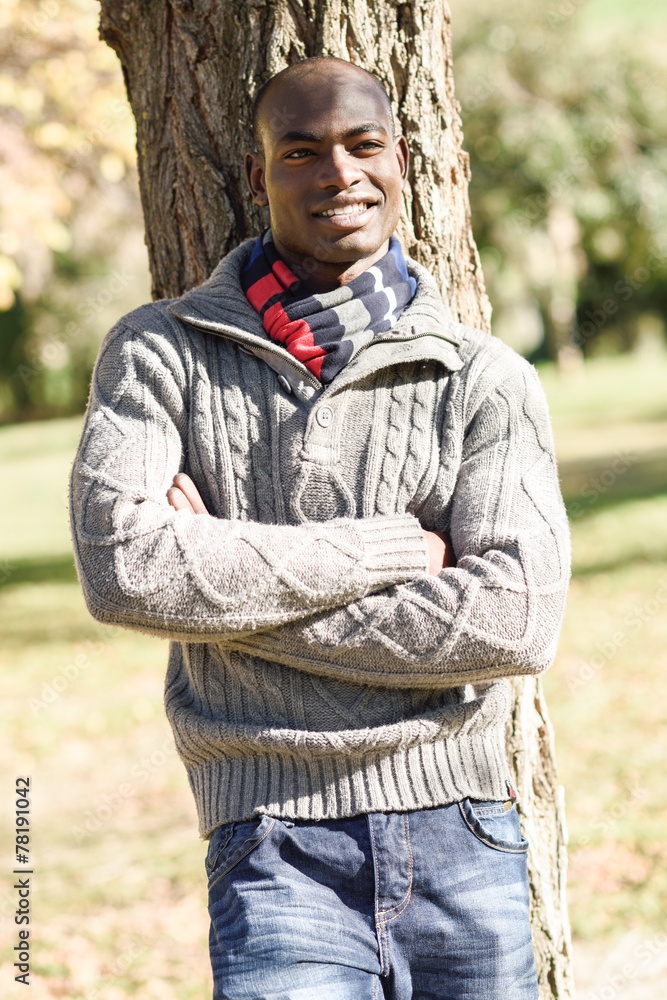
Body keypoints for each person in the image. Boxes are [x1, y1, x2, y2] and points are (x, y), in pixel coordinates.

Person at [70, 56, 570, 1000]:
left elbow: (515, 621)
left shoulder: (480, 378)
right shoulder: (158, 352)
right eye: (300, 152)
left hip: (461, 828)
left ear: (402, 159)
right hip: (269, 839)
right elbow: (122, 570)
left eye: (360, 144)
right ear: (258, 175)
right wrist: (388, 551)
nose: (337, 172)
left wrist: (218, 585)